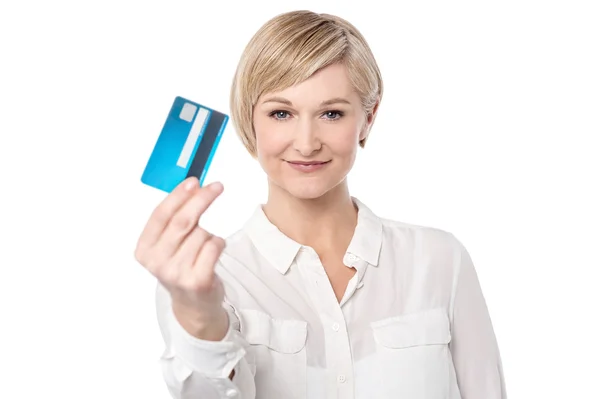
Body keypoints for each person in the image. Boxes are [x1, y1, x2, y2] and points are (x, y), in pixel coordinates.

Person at [134, 9, 507, 399]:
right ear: (250, 120)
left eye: (332, 113)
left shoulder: (439, 260)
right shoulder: (206, 279)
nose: (307, 142)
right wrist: (201, 316)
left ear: (368, 118)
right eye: (281, 113)